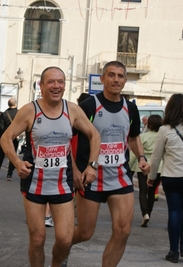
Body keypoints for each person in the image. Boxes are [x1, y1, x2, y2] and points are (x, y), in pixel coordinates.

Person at [0, 66, 101, 267]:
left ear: (64, 85)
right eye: (51, 82)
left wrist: (92, 165)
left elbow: (94, 134)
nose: (56, 86)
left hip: (62, 184)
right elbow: (6, 138)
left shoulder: (71, 109)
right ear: (42, 85)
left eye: (60, 82)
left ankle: (56, 263)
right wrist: (17, 162)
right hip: (34, 183)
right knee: (37, 239)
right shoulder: (30, 110)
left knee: (64, 239)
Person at [71, 61, 151, 267]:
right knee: (85, 233)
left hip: (120, 178)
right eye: (112, 75)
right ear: (102, 79)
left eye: (120, 76)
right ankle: (62, 249)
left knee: (123, 230)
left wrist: (141, 157)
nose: (116, 80)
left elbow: (133, 138)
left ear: (125, 80)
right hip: (91, 178)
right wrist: (75, 170)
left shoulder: (130, 108)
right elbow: (68, 138)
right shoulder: (89, 105)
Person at [147, 93, 183, 263]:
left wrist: (152, 177)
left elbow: (156, 156)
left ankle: (174, 252)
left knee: (175, 212)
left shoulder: (165, 130)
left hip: (172, 177)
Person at [129, 114, 163, 227]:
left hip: (143, 166)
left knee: (143, 190)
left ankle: (145, 214)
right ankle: (149, 213)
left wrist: (129, 165)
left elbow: (136, 153)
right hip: (159, 167)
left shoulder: (143, 136)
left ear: (149, 124)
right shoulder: (162, 136)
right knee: (152, 192)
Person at [0, 98, 19, 181]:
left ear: (8, 104)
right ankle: (9, 174)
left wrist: (2, 136)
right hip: (15, 138)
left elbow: (0, 127)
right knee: (13, 155)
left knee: (0, 155)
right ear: (15, 104)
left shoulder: (4, 114)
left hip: (5, 138)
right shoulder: (19, 113)